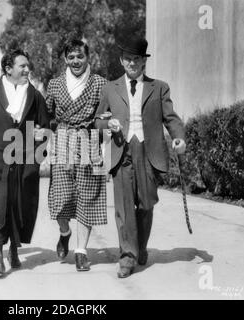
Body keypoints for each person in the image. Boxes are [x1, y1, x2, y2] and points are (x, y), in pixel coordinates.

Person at [95, 36, 186, 278]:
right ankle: (127, 256)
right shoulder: (110, 88)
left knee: (146, 203)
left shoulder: (159, 87)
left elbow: (171, 117)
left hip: (148, 152)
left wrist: (178, 136)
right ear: (121, 61)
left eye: (136, 59)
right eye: (128, 59)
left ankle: (140, 246)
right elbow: (97, 121)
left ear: (143, 62)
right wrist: (107, 123)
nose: (132, 63)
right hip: (120, 151)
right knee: (124, 207)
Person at [0, 49, 50, 274]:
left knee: (20, 204)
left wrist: (37, 156)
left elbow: (45, 127)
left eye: (28, 66)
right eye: (22, 66)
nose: (27, 69)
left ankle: (14, 249)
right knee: (0, 204)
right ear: (8, 69)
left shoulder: (35, 96)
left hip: (25, 159)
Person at [46, 39, 108, 271]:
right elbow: (46, 114)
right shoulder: (54, 84)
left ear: (87, 57)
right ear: (65, 59)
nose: (75, 61)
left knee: (88, 197)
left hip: (90, 141)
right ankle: (65, 232)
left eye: (79, 57)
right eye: (71, 57)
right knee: (60, 199)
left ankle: (81, 251)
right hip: (62, 141)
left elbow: (106, 115)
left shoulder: (100, 83)